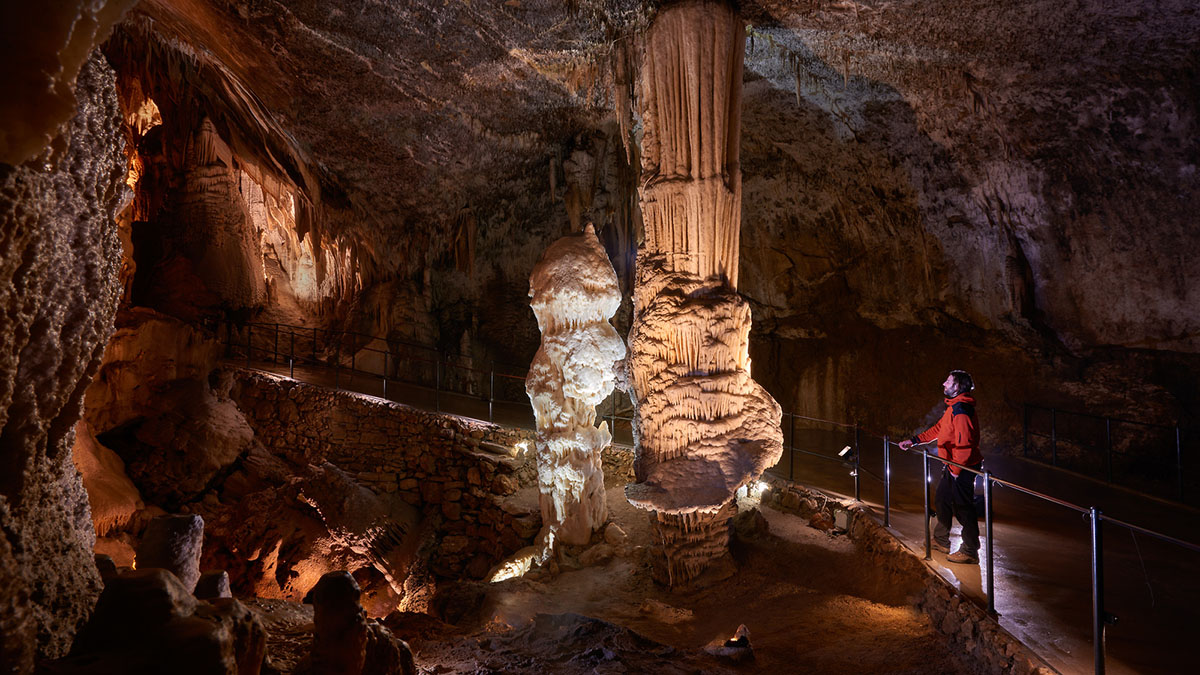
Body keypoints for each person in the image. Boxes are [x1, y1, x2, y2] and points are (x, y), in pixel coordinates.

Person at [899, 370, 982, 564]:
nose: (943, 384)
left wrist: (955, 471)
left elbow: (965, 445)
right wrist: (914, 440)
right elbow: (939, 430)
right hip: (952, 465)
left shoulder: (961, 410)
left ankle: (970, 550)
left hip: (962, 467)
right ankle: (941, 541)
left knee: (963, 508)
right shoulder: (953, 407)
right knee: (942, 499)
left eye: (948, 381)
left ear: (957, 387)